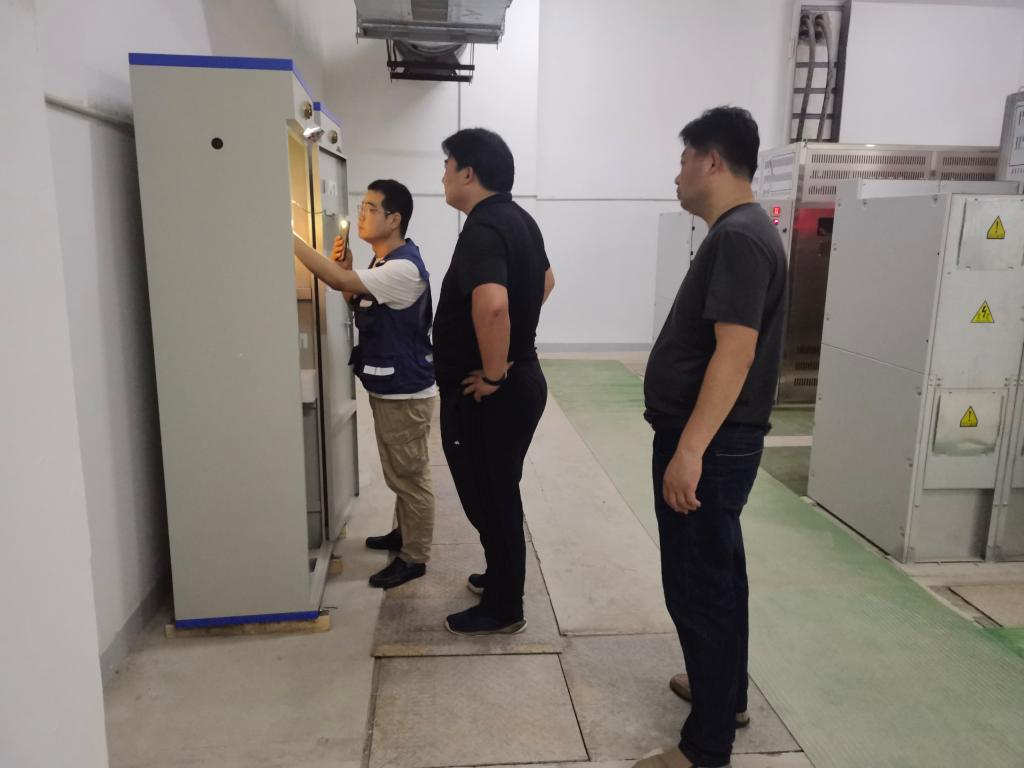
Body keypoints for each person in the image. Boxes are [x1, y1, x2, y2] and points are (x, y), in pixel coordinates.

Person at [636, 107, 788, 768]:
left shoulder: (741, 238)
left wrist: (690, 450)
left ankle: (706, 746)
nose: (677, 175)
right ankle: (725, 694)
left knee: (700, 586)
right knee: (720, 572)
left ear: (712, 161)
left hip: (713, 445)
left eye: (683, 160)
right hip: (715, 440)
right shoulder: (740, 232)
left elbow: (735, 353)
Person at [431, 128, 555, 635]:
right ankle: (499, 575)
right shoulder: (520, 219)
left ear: (468, 173)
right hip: (521, 379)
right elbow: (546, 282)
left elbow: (493, 306)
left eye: (447, 166)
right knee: (495, 489)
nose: (442, 176)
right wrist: (510, 348)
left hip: (490, 393)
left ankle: (505, 607)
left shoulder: (483, 229)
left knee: (491, 494)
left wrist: (494, 371)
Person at [292, 179, 436, 590]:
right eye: (362, 207)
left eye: (371, 209)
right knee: (399, 473)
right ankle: (405, 533)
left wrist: (291, 240)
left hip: (406, 393)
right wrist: (348, 268)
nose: (362, 214)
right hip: (391, 388)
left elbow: (339, 284)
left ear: (394, 219)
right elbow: (355, 298)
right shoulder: (382, 262)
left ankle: (415, 556)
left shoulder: (403, 268)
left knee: (410, 477)